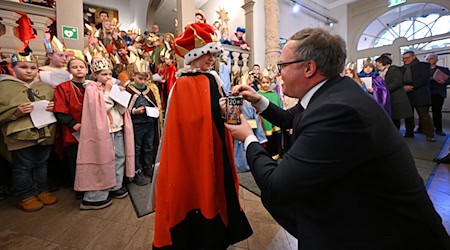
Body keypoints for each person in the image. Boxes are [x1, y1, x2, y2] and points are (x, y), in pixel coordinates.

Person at [225, 28, 450, 249]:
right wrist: (257, 100)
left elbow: (276, 186)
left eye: (281, 66)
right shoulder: (334, 90)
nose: (277, 73)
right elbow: (287, 118)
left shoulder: (337, 110)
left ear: (309, 68)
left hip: (389, 236)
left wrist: (248, 138)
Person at [151, 22, 252, 249]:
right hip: (195, 150)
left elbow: (212, 114)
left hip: (217, 144)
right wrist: (218, 111)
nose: (211, 59)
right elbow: (188, 123)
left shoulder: (213, 78)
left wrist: (226, 108)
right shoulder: (183, 84)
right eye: (206, 53)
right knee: (198, 186)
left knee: (219, 185)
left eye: (213, 54)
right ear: (193, 56)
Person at [75, 57, 135, 210]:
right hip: (103, 133)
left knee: (119, 158)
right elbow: (100, 109)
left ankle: (116, 185)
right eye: (104, 74)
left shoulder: (114, 87)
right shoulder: (91, 88)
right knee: (103, 161)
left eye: (110, 74)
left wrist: (120, 97)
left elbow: (121, 110)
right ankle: (96, 196)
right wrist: (109, 92)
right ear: (95, 75)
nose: (108, 78)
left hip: (117, 128)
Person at [0, 52, 57, 212]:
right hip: (20, 134)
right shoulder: (4, 87)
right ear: (13, 67)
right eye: (23, 67)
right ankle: (26, 196)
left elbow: (56, 106)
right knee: (23, 166)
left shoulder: (44, 87)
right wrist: (16, 112)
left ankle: (42, 190)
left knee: (41, 164)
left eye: (33, 67)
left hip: (45, 132)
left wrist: (54, 106)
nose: (29, 71)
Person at [53, 58, 88, 199]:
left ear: (87, 70)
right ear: (69, 70)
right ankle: (79, 188)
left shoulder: (92, 86)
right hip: (73, 131)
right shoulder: (63, 87)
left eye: (81, 66)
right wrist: (74, 124)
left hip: (92, 130)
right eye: (74, 67)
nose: (79, 69)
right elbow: (60, 110)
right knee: (76, 160)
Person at [126, 58, 159, 185]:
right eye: (140, 78)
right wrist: (134, 111)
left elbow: (155, 105)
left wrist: (153, 110)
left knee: (149, 146)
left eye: (145, 79)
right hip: (136, 125)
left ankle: (148, 167)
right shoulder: (128, 89)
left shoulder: (149, 90)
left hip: (149, 123)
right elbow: (124, 109)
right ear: (133, 76)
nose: (143, 81)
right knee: (136, 148)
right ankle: (137, 170)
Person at [401, 50, 435, 142]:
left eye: (407, 58)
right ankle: (409, 132)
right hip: (407, 95)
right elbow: (400, 80)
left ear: (414, 57)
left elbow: (424, 79)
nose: (404, 60)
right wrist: (404, 87)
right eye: (403, 59)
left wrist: (410, 86)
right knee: (408, 115)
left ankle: (429, 134)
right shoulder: (402, 68)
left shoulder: (423, 66)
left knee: (424, 116)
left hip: (420, 94)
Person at [375, 54, 413, 130]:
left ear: (383, 62)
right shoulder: (379, 73)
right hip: (387, 97)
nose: (376, 65)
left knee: (397, 117)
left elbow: (397, 83)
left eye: (378, 63)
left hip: (396, 97)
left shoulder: (393, 69)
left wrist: (384, 90)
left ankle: (401, 134)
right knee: (392, 117)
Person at [425, 53, 450, 136]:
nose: (429, 60)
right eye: (428, 59)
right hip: (426, 93)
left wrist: (444, 82)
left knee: (437, 112)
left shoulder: (444, 69)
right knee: (423, 112)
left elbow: (449, 79)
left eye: (431, 58)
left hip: (438, 93)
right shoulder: (423, 70)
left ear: (436, 60)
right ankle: (422, 128)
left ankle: (439, 129)